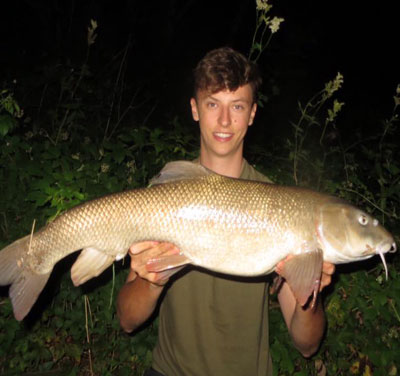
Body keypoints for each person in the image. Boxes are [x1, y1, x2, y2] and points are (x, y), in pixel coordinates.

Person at [117, 47, 335, 376]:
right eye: (212, 104)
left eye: (237, 106)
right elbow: (128, 320)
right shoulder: (163, 196)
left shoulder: (283, 206)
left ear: (251, 113)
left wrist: (311, 291)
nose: (224, 120)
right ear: (195, 109)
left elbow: (307, 345)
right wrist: (152, 280)